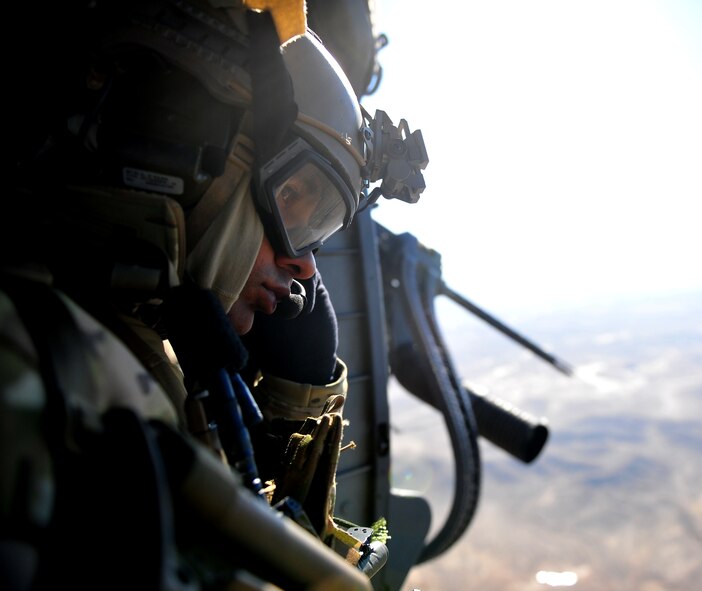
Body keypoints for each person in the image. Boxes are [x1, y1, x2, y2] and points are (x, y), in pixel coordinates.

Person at [0, 0, 427, 588]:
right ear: (177, 139)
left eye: (318, 232)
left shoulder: (155, 352)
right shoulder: (51, 371)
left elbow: (323, 541)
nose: (303, 266)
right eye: (296, 201)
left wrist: (298, 392)